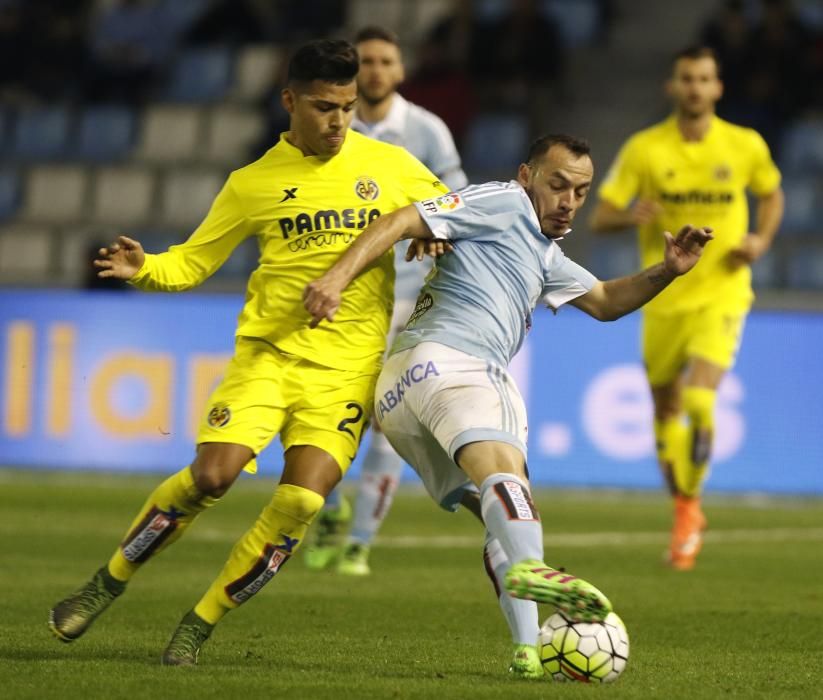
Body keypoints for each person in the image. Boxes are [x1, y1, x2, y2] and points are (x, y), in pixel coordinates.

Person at [47, 38, 449, 666]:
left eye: (346, 107)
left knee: (302, 501)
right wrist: (145, 266)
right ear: (289, 101)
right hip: (269, 357)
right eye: (323, 107)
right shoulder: (252, 183)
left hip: (346, 369)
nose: (338, 121)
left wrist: (435, 235)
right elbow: (193, 261)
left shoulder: (391, 164)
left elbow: (449, 211)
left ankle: (200, 623)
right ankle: (108, 581)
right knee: (212, 476)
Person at [303, 134, 713, 676]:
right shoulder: (503, 202)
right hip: (458, 362)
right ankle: (536, 568)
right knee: (509, 483)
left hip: (401, 393)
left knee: (502, 517)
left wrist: (667, 271)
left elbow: (608, 302)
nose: (568, 200)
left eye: (581, 191)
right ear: (527, 177)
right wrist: (335, 276)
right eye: (558, 184)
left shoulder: (546, 255)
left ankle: (526, 651)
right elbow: (403, 218)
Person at [588, 46, 784, 570]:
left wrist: (760, 241)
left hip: (722, 290)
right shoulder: (646, 149)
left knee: (699, 402)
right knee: (665, 411)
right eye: (686, 79)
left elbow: (772, 193)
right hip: (663, 297)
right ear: (671, 87)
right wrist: (632, 216)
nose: (695, 87)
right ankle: (685, 509)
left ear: (717, 87)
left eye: (704, 79)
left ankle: (689, 510)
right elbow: (599, 216)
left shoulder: (744, 144)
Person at [304, 25, 469, 577]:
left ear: (400, 71)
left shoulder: (426, 131)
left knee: (385, 418)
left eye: (385, 61)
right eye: (366, 61)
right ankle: (327, 510)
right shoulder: (329, 128)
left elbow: (454, 202)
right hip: (335, 294)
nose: (375, 70)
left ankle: (359, 541)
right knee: (316, 412)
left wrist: (435, 225)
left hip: (404, 298)